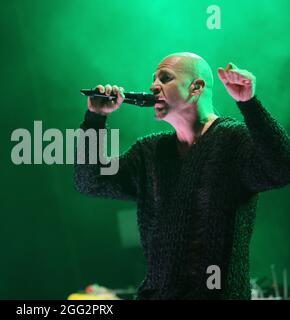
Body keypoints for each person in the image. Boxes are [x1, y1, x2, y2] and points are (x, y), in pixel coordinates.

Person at [74, 52, 290, 299]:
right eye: (153, 79)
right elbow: (89, 182)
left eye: (165, 78)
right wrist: (95, 119)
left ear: (196, 87)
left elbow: (282, 169)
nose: (153, 86)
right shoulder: (149, 152)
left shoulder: (232, 139)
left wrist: (249, 104)